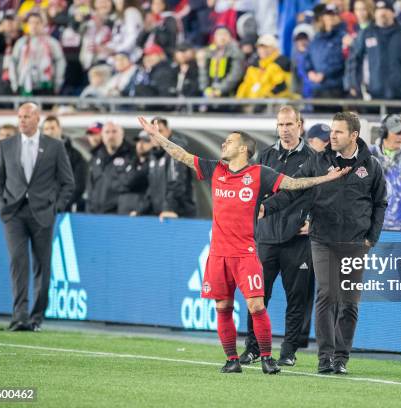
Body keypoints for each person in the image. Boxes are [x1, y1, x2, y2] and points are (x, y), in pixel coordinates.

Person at [137, 116, 351, 374]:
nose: (224, 144)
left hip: (245, 252)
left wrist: (324, 179)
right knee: (222, 307)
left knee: (257, 305)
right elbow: (180, 154)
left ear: (243, 149)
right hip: (217, 254)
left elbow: (293, 185)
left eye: (229, 141)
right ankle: (231, 359)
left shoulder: (259, 173)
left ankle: (266, 357)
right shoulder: (215, 169)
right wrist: (156, 135)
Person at [261, 112, 388, 375]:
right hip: (322, 240)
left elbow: (380, 203)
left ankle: (341, 358)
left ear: (354, 135)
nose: (333, 135)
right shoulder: (317, 161)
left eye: (339, 131)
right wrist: (265, 208)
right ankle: (325, 358)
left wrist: (371, 238)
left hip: (355, 243)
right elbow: (292, 189)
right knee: (327, 296)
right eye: (332, 130)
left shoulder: (372, 166)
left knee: (349, 303)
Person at [239, 106, 316, 367]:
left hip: (297, 239)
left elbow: (320, 195)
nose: (284, 129)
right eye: (281, 124)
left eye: (289, 124)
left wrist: (313, 221)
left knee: (297, 299)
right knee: (257, 296)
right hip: (267, 237)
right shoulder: (266, 155)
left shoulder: (313, 158)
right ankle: (252, 348)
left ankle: (289, 351)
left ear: (300, 125)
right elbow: (256, 189)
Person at [0, 102, 75, 332]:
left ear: (37, 118)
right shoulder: (6, 145)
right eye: (20, 117)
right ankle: (19, 316)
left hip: (42, 214)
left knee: (42, 266)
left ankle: (36, 317)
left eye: (27, 116)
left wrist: (55, 206)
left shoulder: (55, 146)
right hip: (14, 212)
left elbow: (68, 182)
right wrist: (1, 204)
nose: (22, 121)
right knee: (18, 262)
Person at [346, 0, 401, 102]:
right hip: (371, 92)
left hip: (399, 91)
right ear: (374, 14)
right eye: (379, 10)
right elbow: (354, 60)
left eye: (386, 10)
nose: (382, 13)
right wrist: (353, 84)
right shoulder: (365, 34)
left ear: (393, 13)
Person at [134, 117, 196, 219]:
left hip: (179, 215)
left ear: (169, 131)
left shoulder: (176, 149)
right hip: (162, 214)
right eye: (152, 132)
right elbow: (152, 188)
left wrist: (169, 209)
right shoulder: (153, 155)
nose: (156, 135)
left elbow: (177, 183)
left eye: (160, 131)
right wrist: (140, 211)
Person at [8, 12, 66, 96]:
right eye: (31, 23)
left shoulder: (51, 42)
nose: (34, 26)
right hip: (25, 84)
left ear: (43, 24)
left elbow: (60, 62)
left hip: (46, 85)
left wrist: (57, 82)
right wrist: (15, 84)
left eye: (37, 23)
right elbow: (13, 63)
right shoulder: (21, 42)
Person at [85, 122, 134, 214]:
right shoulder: (95, 157)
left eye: (114, 131)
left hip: (119, 215)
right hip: (95, 213)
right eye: (107, 132)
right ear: (102, 136)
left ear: (122, 134)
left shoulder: (133, 156)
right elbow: (90, 187)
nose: (111, 135)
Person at [41, 116, 88, 212]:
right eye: (46, 129)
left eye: (52, 128)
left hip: (64, 209)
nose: (50, 132)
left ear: (60, 129)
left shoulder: (75, 155)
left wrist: (62, 204)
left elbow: (79, 185)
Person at [305, 5, 346, 102]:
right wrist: (310, 71)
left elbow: (340, 60)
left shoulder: (342, 36)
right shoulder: (316, 38)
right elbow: (308, 58)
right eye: (327, 15)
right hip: (317, 88)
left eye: (333, 14)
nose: (330, 17)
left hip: (335, 87)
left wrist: (324, 73)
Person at [236, 34, 293, 100]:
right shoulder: (254, 66)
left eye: (266, 47)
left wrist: (266, 98)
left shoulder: (281, 63)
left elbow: (282, 86)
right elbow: (245, 85)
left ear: (274, 48)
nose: (262, 50)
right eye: (260, 47)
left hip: (272, 104)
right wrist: (238, 101)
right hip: (252, 103)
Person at [198, 25, 245, 98]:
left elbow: (235, 75)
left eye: (225, 34)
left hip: (229, 94)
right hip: (209, 93)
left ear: (230, 37)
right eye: (219, 34)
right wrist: (206, 89)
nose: (222, 37)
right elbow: (203, 72)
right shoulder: (208, 53)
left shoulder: (236, 53)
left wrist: (220, 90)